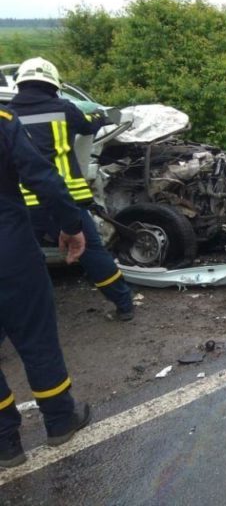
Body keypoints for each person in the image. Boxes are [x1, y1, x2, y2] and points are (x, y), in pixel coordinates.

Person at [0, 105, 92, 468]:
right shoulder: (3, 122)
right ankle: (59, 420)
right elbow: (43, 178)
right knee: (36, 335)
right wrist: (71, 223)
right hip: (10, 251)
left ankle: (6, 443)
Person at [10, 57, 135, 322]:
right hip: (65, 200)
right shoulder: (64, 109)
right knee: (92, 253)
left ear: (20, 83)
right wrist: (101, 114)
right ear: (53, 84)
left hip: (21, 203)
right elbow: (91, 123)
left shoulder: (7, 115)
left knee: (18, 262)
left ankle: (17, 322)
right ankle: (124, 304)